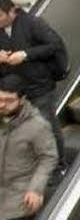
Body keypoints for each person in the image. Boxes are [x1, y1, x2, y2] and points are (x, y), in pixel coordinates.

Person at [0, 0, 66, 174]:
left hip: (40, 85)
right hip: (14, 91)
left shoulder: (32, 23)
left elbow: (54, 44)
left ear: (12, 11)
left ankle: (57, 168)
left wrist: (25, 55)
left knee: (47, 127)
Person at [0, 74, 58, 220]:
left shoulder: (37, 126)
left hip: (18, 202)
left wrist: (36, 189)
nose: (2, 105)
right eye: (0, 99)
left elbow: (48, 158)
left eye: (9, 100)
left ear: (22, 99)